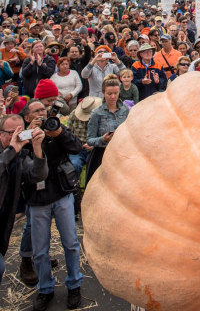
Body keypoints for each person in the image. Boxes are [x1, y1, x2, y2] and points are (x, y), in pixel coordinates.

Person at [23, 101, 84, 311]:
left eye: (43, 110)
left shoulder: (54, 127)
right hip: (37, 199)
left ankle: (74, 285)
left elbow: (76, 147)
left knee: (71, 243)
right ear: (27, 117)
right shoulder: (23, 135)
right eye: (36, 111)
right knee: (40, 250)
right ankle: (45, 289)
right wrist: (28, 138)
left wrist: (58, 133)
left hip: (61, 193)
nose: (41, 114)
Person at [0, 115, 47, 286]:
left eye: (20, 132)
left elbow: (38, 175)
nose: (15, 137)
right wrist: (11, 150)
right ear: (0, 133)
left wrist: (37, 148)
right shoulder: (10, 151)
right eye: (11, 133)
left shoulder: (21, 154)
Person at [86, 77, 130, 185]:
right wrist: (102, 139)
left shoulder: (125, 110)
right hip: (101, 155)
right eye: (109, 94)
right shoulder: (96, 113)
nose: (113, 97)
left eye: (115, 93)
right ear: (103, 93)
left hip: (121, 153)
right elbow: (90, 140)